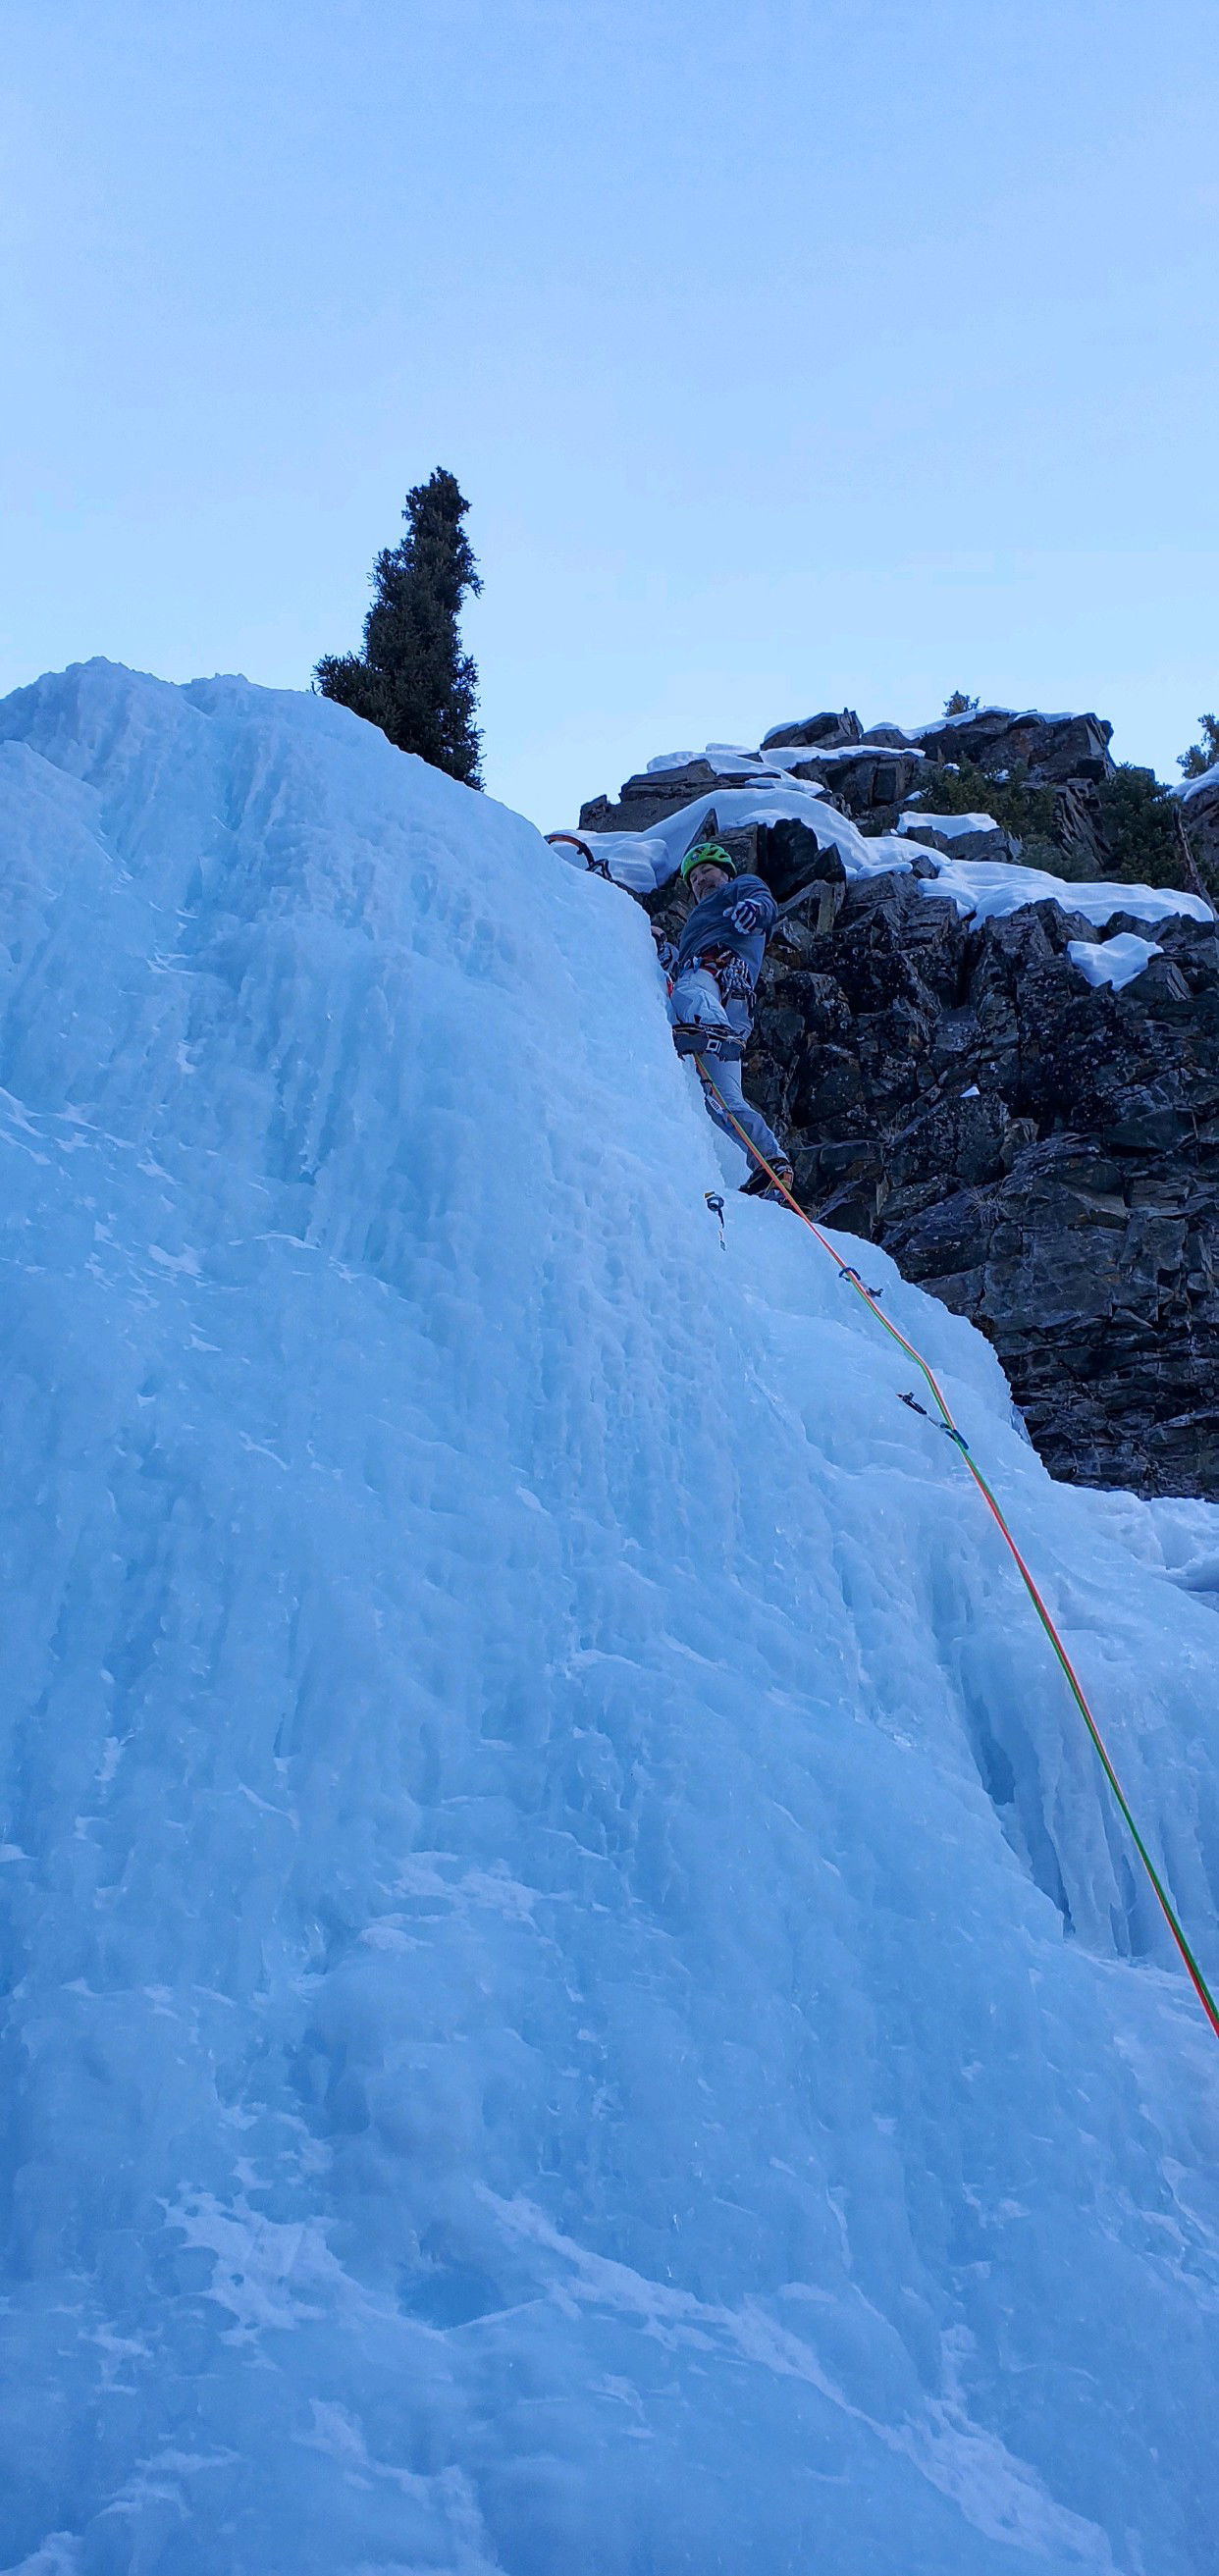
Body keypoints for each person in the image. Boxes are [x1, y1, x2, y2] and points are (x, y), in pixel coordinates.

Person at [654, 840, 794, 1196]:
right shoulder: (693, 929)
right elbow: (679, 966)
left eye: (707, 871)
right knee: (721, 1099)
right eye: (695, 878)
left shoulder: (739, 887)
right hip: (725, 1006)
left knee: (687, 991)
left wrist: (753, 908)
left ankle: (712, 1030)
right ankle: (771, 1163)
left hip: (721, 981)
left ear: (726, 873)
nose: (701, 880)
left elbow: (764, 902)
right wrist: (658, 947)